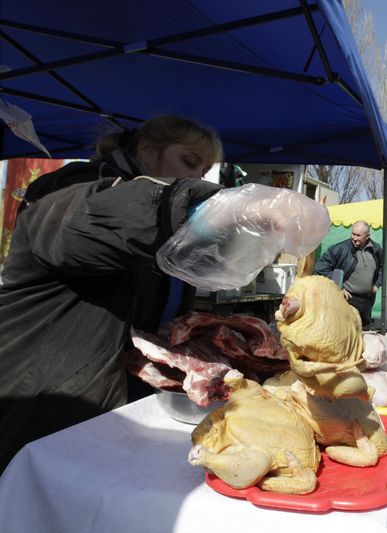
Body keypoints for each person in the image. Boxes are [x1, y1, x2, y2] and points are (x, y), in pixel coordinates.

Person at [0, 115, 224, 473]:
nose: (196, 177)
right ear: (147, 150)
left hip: (122, 401)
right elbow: (97, 223)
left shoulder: (172, 235)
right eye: (189, 161)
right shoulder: (70, 189)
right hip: (47, 398)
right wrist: (206, 208)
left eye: (204, 169)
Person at [314, 220, 383, 327]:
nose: (354, 238)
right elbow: (321, 267)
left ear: (367, 236)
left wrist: (377, 284)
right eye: (353, 234)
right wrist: (339, 287)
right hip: (347, 299)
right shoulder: (339, 249)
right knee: (346, 331)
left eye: (358, 235)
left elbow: (381, 269)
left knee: (363, 333)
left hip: (366, 301)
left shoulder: (376, 249)